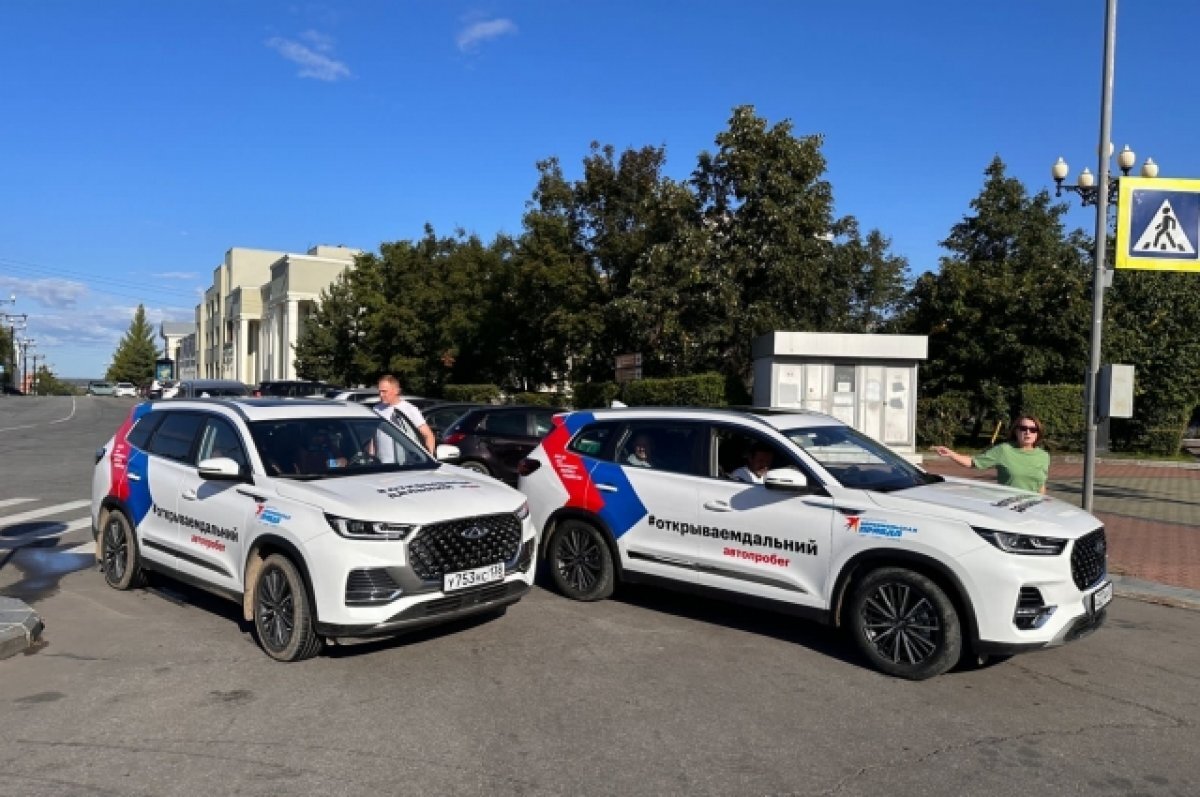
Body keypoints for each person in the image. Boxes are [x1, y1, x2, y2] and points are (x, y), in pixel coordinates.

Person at [934, 414, 1050, 494]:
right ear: (1016, 431)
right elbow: (973, 462)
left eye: (1033, 429)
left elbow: (1041, 485)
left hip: (1034, 508)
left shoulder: (1044, 456)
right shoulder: (1004, 450)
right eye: (1023, 428)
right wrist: (951, 454)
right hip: (1010, 507)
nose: (1028, 432)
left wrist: (1044, 501)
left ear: (1037, 433)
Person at [374, 374, 435, 454]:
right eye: (380, 391)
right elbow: (374, 437)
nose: (381, 395)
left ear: (396, 391)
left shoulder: (410, 410)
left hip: (404, 463)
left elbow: (428, 436)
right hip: (382, 462)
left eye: (384, 391)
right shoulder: (377, 409)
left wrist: (428, 459)